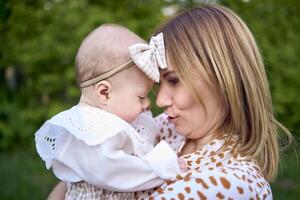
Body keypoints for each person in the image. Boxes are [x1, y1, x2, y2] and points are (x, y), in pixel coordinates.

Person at [47, 4, 293, 200]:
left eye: (174, 81)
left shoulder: (232, 184)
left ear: (222, 78)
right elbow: (85, 166)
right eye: (159, 85)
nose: (161, 100)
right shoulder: (169, 128)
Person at [35, 23, 186, 200]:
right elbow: (116, 172)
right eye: (141, 96)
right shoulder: (90, 129)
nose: (148, 104)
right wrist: (163, 167)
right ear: (105, 93)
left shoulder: (111, 120)